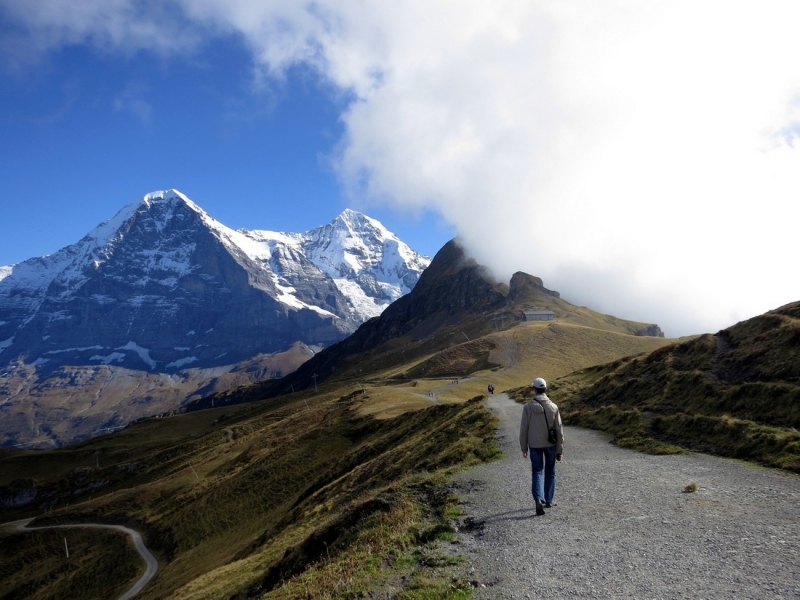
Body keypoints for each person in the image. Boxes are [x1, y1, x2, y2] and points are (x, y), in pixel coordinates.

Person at [519, 377, 563, 515]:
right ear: (545, 389)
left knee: (537, 471)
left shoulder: (527, 407)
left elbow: (524, 429)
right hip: (550, 444)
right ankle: (548, 500)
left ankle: (538, 498)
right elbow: (559, 430)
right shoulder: (554, 407)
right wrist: (559, 449)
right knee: (550, 471)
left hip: (534, 445)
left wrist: (524, 447)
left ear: (534, 389)